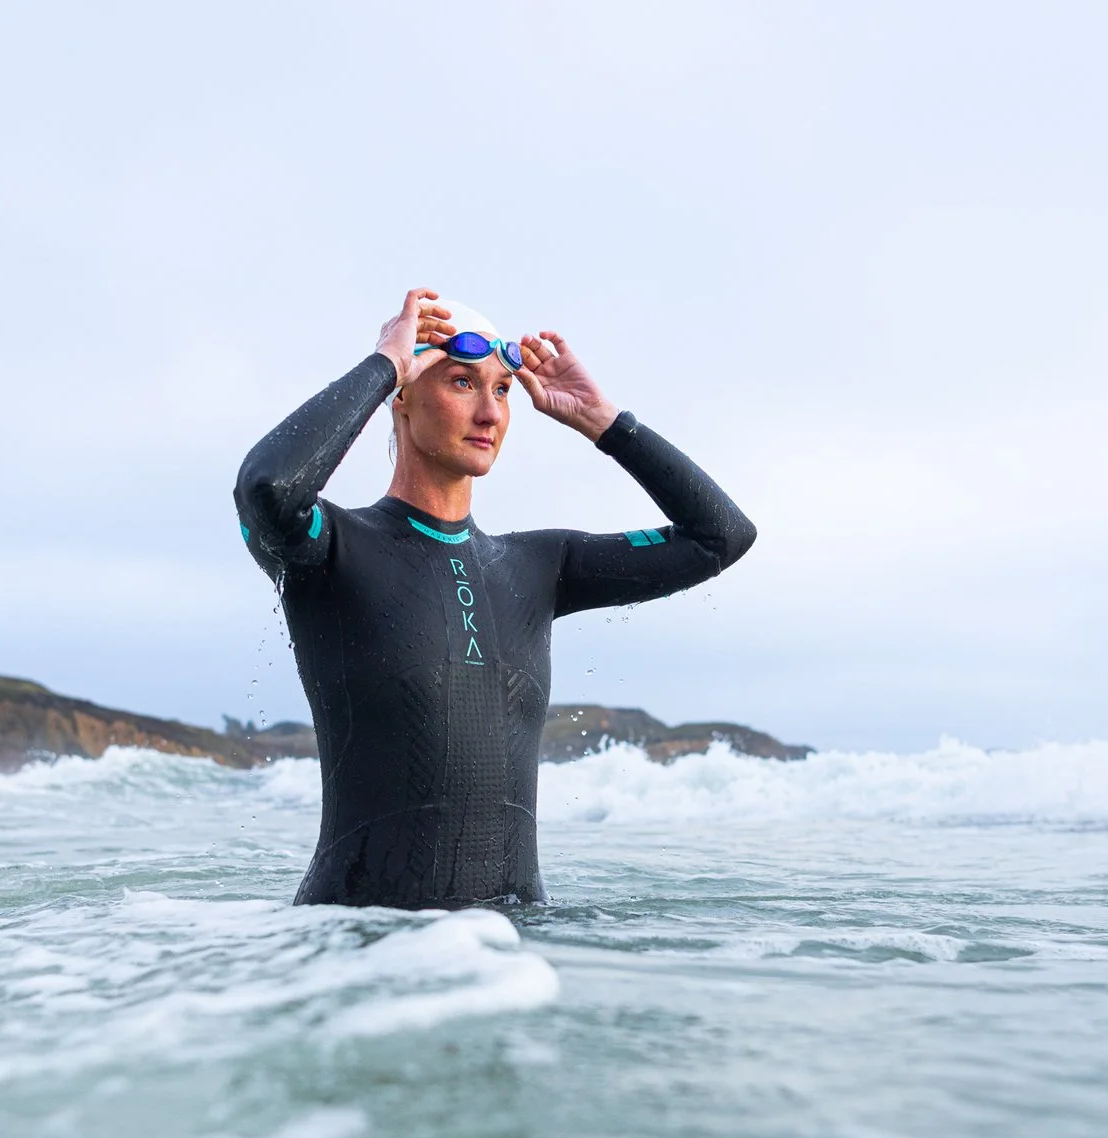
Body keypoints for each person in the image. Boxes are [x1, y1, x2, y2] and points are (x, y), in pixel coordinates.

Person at [234, 288, 757, 909]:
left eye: (502, 390)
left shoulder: (537, 566)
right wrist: (384, 364)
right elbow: (267, 487)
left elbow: (721, 536)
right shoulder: (333, 549)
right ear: (401, 397)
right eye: (461, 384)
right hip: (360, 961)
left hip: (508, 967)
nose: (490, 414)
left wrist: (605, 422)